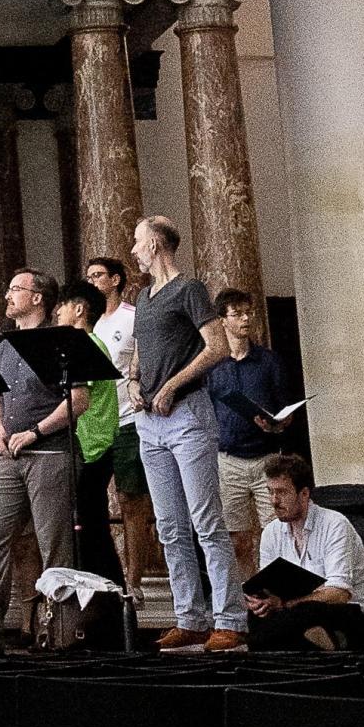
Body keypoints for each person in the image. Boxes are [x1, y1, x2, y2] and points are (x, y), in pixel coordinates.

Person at [127, 216, 239, 652]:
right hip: (149, 422)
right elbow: (140, 349)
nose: (134, 250)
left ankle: (229, 618)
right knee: (170, 526)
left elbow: (217, 346)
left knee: (206, 521)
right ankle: (190, 616)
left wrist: (173, 384)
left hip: (187, 413)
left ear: (155, 244)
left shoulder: (188, 290)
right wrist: (135, 382)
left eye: (138, 242)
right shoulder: (142, 295)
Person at [0, 270, 87, 641]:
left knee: (54, 543)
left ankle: (62, 633)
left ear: (38, 298)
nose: (7, 296)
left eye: (15, 289)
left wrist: (35, 431)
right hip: (8, 456)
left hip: (50, 453)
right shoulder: (5, 345)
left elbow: (79, 400)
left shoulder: (61, 340)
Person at [245, 453, 364, 652]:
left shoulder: (335, 524)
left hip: (353, 617)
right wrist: (260, 601)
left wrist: (286, 603)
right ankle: (314, 642)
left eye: (282, 492)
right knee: (259, 616)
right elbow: (268, 589)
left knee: (305, 611)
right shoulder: (271, 532)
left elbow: (339, 593)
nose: (274, 501)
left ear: (304, 494)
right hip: (294, 617)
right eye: (270, 492)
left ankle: (309, 642)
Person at [206, 287, 293, 582]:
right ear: (223, 321)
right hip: (228, 459)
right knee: (237, 539)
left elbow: (286, 410)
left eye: (248, 312)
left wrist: (277, 424)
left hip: (266, 457)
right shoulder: (213, 366)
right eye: (237, 314)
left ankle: (276, 595)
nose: (245, 319)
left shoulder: (269, 361)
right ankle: (248, 600)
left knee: (275, 532)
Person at [87, 256, 154, 592]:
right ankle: (105, 576)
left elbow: (140, 364)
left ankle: (134, 579)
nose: (92, 281)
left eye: (98, 275)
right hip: (95, 423)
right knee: (90, 501)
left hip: (128, 419)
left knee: (131, 499)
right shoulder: (89, 323)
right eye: (88, 276)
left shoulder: (131, 316)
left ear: (115, 280)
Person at [54, 280, 124, 585]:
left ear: (79, 309)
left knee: (92, 526)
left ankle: (108, 594)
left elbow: (80, 400)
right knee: (91, 525)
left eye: (63, 305)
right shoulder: (88, 345)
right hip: (90, 444)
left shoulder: (88, 345)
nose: (57, 312)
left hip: (92, 446)